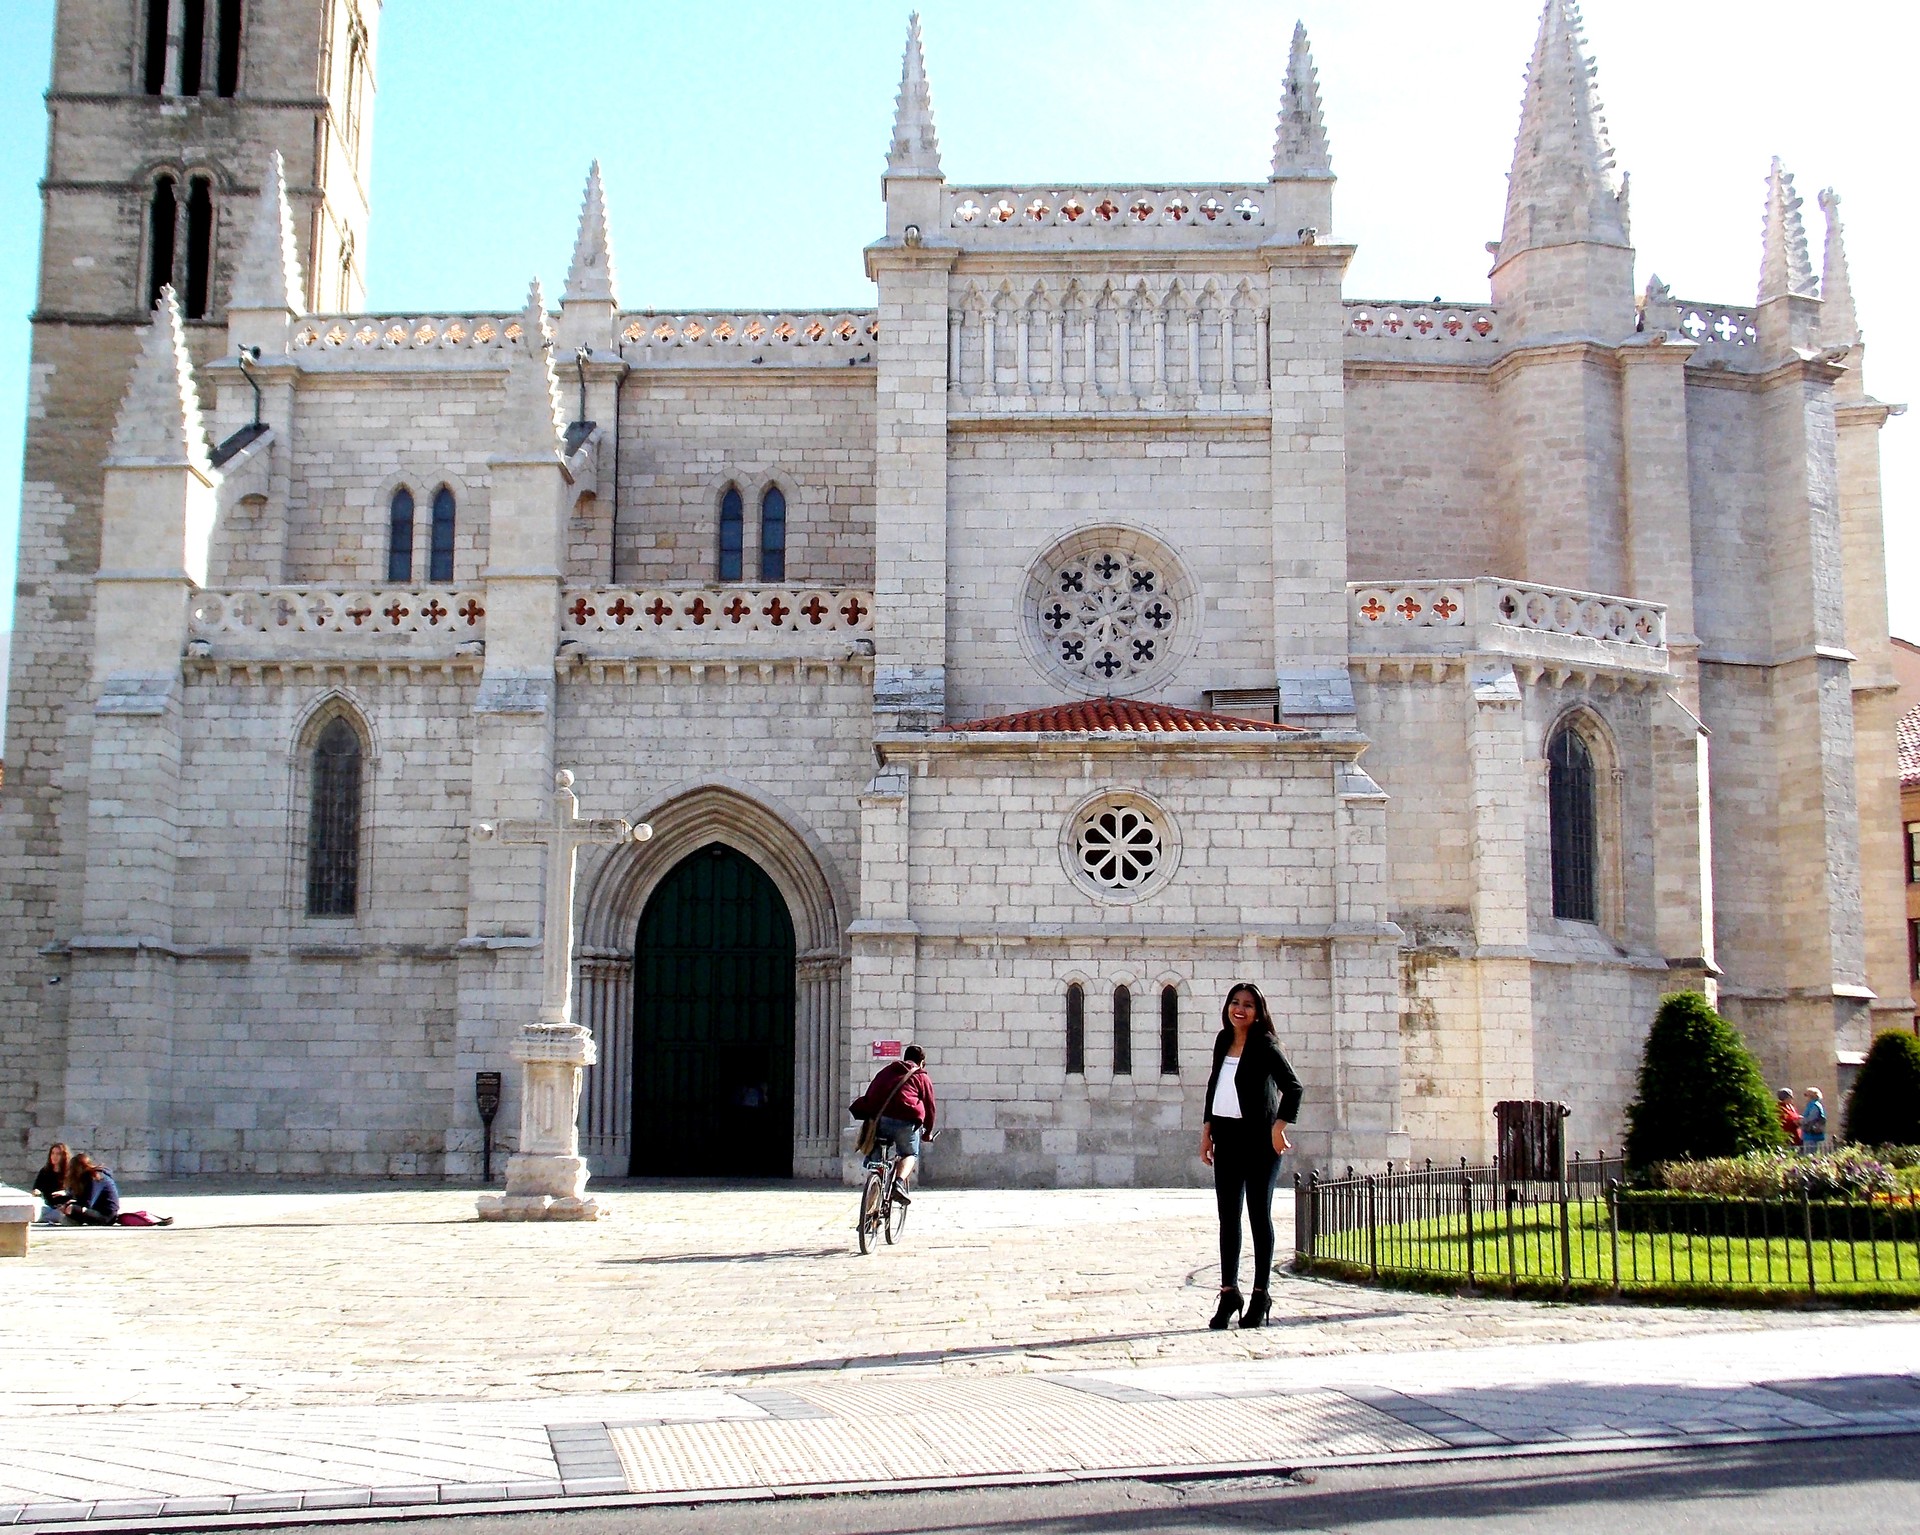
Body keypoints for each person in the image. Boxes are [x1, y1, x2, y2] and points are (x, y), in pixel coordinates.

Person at [1199, 982, 1302, 1331]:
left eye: (1248, 1005)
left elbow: (1294, 1088)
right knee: (1228, 1217)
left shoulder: (1265, 1045)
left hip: (1259, 1140)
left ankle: (1260, 1294)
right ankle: (1229, 1292)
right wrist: (1207, 1132)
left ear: (1258, 1012)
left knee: (1258, 1215)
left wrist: (1279, 1127)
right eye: (1235, 1002)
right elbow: (1214, 1086)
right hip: (1226, 1137)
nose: (1239, 1009)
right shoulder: (1222, 1041)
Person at [851, 1044, 935, 1202]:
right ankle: (899, 1184)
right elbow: (930, 1107)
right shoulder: (921, 1076)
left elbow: (871, 1093)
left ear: (904, 1058)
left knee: (876, 1160)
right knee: (909, 1153)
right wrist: (928, 1132)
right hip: (906, 1121)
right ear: (922, 1062)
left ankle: (873, 1195)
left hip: (881, 1120)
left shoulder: (886, 1071)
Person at [60, 1151, 121, 1225]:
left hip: (106, 1215)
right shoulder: (84, 1179)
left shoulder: (96, 1178)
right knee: (67, 1210)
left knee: (71, 1209)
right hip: (95, 1210)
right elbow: (77, 1197)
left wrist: (72, 1204)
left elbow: (88, 1203)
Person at [30, 1143, 70, 1225]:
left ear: (63, 1156)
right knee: (36, 1208)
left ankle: (41, 1218)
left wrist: (65, 1193)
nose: (54, 1156)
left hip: (62, 1207)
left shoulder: (69, 1172)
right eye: (53, 1153)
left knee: (60, 1215)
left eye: (58, 1154)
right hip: (47, 1206)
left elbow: (75, 1192)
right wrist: (36, 1191)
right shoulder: (45, 1171)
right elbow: (37, 1187)